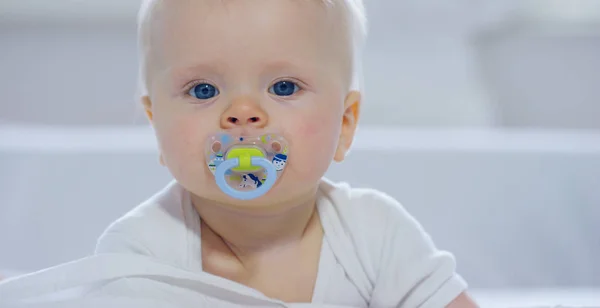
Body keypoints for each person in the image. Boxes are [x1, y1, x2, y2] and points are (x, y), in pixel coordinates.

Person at [0, 1, 477, 307]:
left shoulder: (376, 235)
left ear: (345, 125)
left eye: (283, 86)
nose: (242, 113)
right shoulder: (143, 252)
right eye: (203, 88)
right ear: (156, 127)